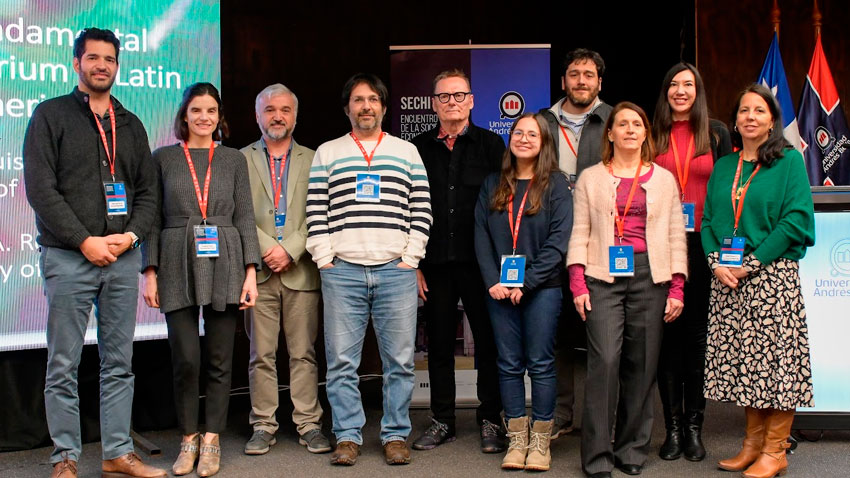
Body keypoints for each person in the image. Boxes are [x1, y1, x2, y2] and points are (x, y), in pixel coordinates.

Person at [23, 27, 166, 478]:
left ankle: (116, 454)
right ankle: (64, 459)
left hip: (122, 260)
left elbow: (147, 193)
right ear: (76, 63)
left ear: (117, 66)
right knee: (63, 362)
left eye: (109, 59)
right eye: (93, 58)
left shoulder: (131, 124)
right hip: (68, 258)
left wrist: (132, 237)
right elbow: (40, 191)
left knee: (118, 364)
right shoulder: (50, 115)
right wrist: (84, 240)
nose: (101, 65)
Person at [305, 73, 432, 466]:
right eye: (358, 100)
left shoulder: (406, 151)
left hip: (395, 271)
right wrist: (325, 258)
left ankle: (395, 434)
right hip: (342, 271)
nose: (366, 106)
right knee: (341, 361)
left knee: (400, 361)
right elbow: (315, 211)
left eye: (373, 99)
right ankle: (347, 435)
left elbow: (421, 209)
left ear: (383, 106)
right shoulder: (328, 152)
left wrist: (410, 258)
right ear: (348, 108)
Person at [142, 83, 261, 477]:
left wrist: (250, 273)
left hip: (225, 258)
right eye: (196, 110)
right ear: (184, 115)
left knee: (219, 358)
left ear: (219, 116)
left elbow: (245, 217)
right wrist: (150, 272)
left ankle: (211, 439)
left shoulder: (232, 160)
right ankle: (188, 437)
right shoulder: (162, 159)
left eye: (211, 110)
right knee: (186, 359)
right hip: (176, 260)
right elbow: (153, 220)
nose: (204, 117)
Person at [568, 102, 687, 478]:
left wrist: (678, 287)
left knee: (643, 363)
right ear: (611, 133)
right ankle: (598, 456)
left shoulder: (664, 179)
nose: (631, 130)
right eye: (623, 124)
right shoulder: (590, 178)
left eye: (638, 124)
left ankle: (632, 449)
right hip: (602, 275)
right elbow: (580, 233)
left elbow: (674, 236)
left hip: (650, 275)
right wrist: (577, 282)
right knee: (604, 363)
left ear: (645, 133)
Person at [702, 83, 815, 478]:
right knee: (749, 365)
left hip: (771, 278)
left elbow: (795, 221)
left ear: (772, 121)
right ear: (734, 120)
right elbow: (708, 223)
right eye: (744, 110)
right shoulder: (722, 167)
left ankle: (775, 449)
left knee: (778, 366)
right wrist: (716, 263)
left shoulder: (788, 162)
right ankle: (752, 443)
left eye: (759, 111)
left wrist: (751, 263)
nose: (750, 117)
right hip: (728, 279)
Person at [410, 69, 506, 453]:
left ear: (471, 100)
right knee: (438, 344)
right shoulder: (415, 149)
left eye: (459, 95)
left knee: (487, 342)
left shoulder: (491, 145)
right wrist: (414, 263)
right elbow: (407, 207)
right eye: (444, 97)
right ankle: (442, 420)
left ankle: (490, 420)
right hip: (434, 263)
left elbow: (503, 207)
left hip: (481, 264)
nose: (452, 102)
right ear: (433, 104)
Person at [474, 113, 572, 472]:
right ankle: (516, 437)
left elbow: (558, 244)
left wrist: (525, 282)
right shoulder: (493, 184)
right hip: (499, 291)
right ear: (510, 139)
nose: (525, 138)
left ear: (544, 143)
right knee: (508, 364)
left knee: (542, 364)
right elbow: (481, 237)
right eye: (518, 132)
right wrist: (493, 281)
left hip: (541, 290)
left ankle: (541, 441)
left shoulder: (556, 186)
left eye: (533, 134)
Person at [240, 84, 330, 456]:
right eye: (270, 110)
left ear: (295, 116)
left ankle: (308, 424)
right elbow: (237, 211)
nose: (278, 116)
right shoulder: (238, 158)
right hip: (258, 272)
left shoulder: (316, 158)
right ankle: (263, 424)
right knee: (260, 355)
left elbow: (322, 210)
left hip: (301, 270)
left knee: (303, 353)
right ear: (258, 115)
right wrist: (268, 249)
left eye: (285, 110)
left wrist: (290, 249)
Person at [651, 62, 732, 462]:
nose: (680, 91)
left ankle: (696, 427)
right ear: (665, 91)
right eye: (673, 84)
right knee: (667, 336)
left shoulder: (716, 133)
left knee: (697, 337)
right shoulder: (652, 134)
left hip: (703, 244)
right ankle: (673, 428)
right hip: (660, 245)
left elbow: (730, 191)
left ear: (698, 90)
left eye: (688, 84)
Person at [539, 47, 613, 439]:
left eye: (589, 74)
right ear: (563, 80)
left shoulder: (616, 119)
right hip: (550, 238)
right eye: (574, 73)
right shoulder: (542, 121)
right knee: (556, 334)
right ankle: (561, 416)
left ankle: (602, 422)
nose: (581, 80)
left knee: (604, 335)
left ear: (600, 81)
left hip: (603, 240)